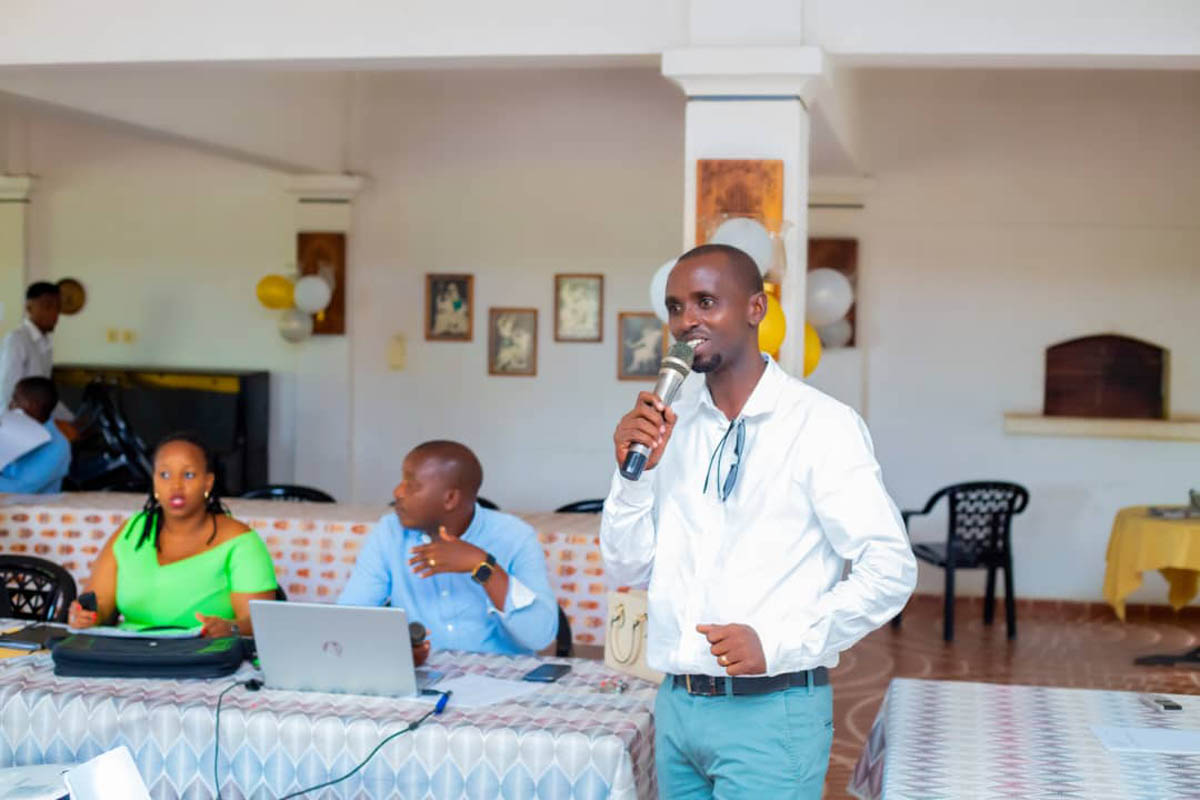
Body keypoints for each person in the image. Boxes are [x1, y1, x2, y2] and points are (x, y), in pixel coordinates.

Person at [601, 244, 917, 798]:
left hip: (771, 711)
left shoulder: (820, 425)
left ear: (756, 308)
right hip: (675, 706)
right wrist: (634, 479)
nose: (687, 320)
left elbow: (890, 569)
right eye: (675, 307)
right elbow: (626, 568)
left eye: (705, 302)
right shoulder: (669, 427)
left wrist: (778, 640)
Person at [338, 440, 558, 659]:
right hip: (424, 674)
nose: (398, 492)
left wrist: (483, 566)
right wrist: (398, 650)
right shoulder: (389, 533)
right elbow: (347, 621)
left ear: (450, 499)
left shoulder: (514, 537)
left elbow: (540, 637)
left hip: (505, 674)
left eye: (411, 485)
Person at [67, 432, 278, 636]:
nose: (176, 485)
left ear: (208, 482)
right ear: (154, 481)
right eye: (165, 475)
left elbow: (258, 622)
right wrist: (86, 616)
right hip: (129, 653)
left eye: (188, 475)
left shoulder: (241, 542)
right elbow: (99, 603)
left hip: (202, 653)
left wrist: (230, 628)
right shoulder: (133, 530)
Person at [0, 377, 70, 493]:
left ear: (33, 406)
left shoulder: (56, 447)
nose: (10, 406)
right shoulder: (17, 429)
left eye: (16, 400)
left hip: (25, 503)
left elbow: (18, 489)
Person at [0, 282, 61, 408]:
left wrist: (69, 417)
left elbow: (45, 396)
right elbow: (7, 391)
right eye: (48, 306)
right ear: (29, 307)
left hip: (38, 414)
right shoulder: (17, 340)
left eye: (58, 308)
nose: (55, 313)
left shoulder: (46, 343)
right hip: (17, 416)